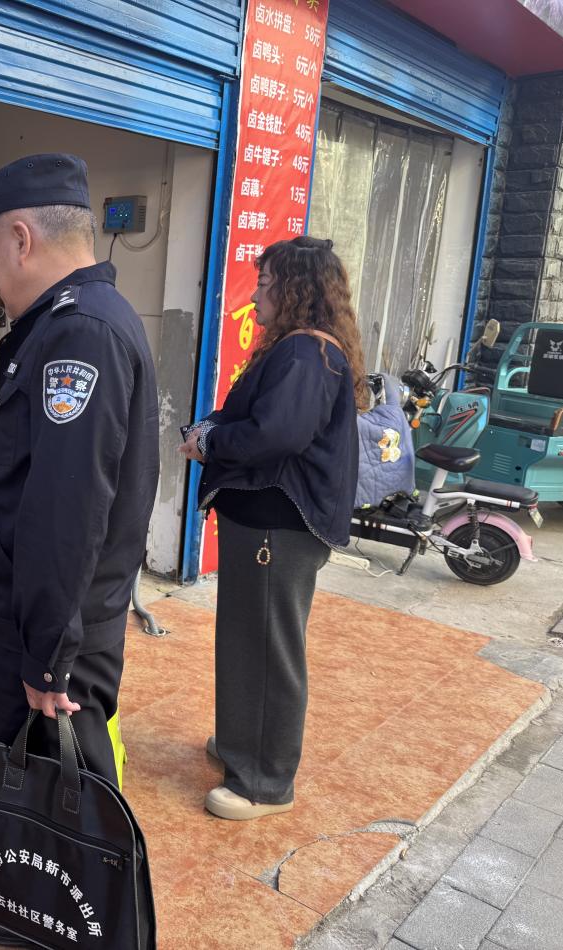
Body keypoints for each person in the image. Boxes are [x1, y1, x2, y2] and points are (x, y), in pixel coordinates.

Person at [0, 153, 159, 800]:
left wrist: (47, 658)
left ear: (20, 239)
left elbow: (66, 511)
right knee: (50, 805)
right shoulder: (76, 321)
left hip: (52, 640)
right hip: (52, 630)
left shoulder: (80, 334)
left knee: (65, 810)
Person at [180, 235, 364, 821]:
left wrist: (211, 442)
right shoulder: (297, 349)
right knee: (246, 640)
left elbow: (276, 434)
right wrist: (211, 429)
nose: (254, 295)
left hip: (277, 526)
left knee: (266, 648)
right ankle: (243, 743)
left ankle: (264, 781)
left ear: (295, 289)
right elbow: (260, 419)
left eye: (263, 284)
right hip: (262, 523)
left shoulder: (307, 353)